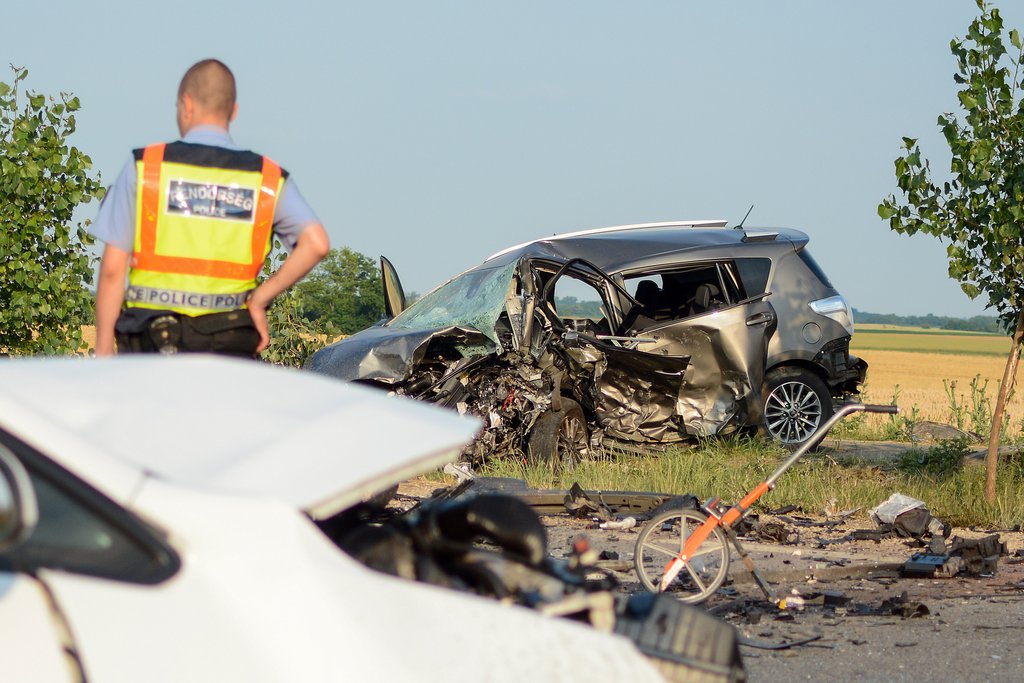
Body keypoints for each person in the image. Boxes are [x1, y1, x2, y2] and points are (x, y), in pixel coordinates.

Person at [91, 59, 330, 357]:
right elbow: (317, 244)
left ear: (185, 105)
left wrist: (103, 349)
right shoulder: (267, 178)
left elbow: (113, 269)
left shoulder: (146, 168)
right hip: (230, 344)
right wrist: (258, 300)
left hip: (152, 343)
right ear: (233, 111)